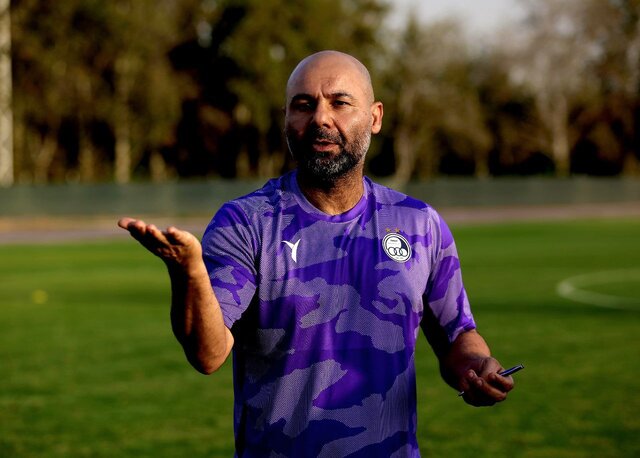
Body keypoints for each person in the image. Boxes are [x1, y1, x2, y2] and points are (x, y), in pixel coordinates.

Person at [118, 50, 515, 457]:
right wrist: (188, 273)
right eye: (304, 105)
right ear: (286, 119)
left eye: (339, 103)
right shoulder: (247, 222)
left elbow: (457, 335)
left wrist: (477, 367)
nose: (320, 118)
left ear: (375, 117)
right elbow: (208, 354)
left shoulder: (419, 224)